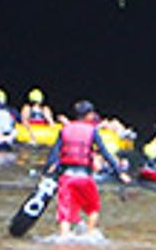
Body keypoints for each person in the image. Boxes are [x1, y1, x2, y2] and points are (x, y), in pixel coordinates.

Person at [44, 100, 130, 236]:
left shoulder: (64, 130)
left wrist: (46, 172)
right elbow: (105, 153)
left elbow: (53, 155)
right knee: (93, 210)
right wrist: (120, 173)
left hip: (66, 178)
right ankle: (89, 237)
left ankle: (63, 241)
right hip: (84, 178)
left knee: (64, 215)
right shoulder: (92, 131)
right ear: (88, 115)